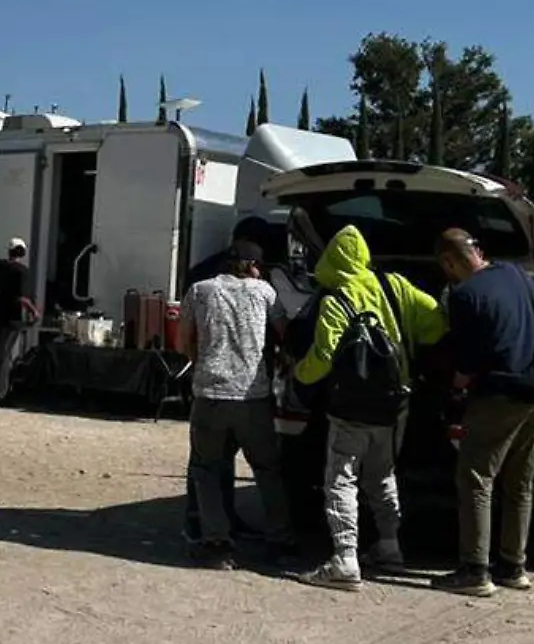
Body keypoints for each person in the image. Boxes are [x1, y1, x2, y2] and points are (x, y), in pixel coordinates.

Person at [293, 225, 447, 591]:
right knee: (383, 474)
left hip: (349, 408)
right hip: (395, 405)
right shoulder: (396, 286)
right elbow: (437, 324)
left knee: (340, 480)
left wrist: (299, 374)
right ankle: (390, 546)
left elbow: (322, 359)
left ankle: (345, 558)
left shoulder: (336, 300)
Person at [431, 228, 534, 597]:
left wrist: (452, 387)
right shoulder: (514, 273)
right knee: (519, 480)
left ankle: (474, 571)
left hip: (502, 394)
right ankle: (513, 566)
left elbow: (468, 362)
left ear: (449, 262)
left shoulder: (464, 295)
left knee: (475, 477)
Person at [178, 240, 293, 569]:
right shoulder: (264, 292)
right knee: (268, 470)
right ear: (253, 266)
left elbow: (183, 340)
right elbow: (285, 334)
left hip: (210, 396)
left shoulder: (200, 291)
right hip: (253, 398)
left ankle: (217, 544)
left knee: (207, 469)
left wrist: (199, 362)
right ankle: (280, 539)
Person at [0, 239, 39, 402]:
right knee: (5, 356)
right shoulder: (22, 271)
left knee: (1, 354)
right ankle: (1, 392)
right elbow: (22, 298)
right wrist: (35, 312)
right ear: (22, 252)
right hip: (13, 319)